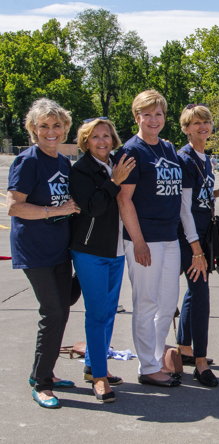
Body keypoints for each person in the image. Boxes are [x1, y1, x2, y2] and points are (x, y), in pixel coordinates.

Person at [117, 90, 205, 387]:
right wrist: (138, 241)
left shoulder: (167, 149)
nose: (154, 120)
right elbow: (125, 200)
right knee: (146, 303)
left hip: (170, 238)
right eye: (147, 114)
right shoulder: (132, 151)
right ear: (137, 117)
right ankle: (147, 367)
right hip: (145, 240)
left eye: (159, 114)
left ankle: (156, 359)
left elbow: (180, 198)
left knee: (167, 304)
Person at [7, 98, 80, 408]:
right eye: (44, 126)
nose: (51, 131)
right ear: (33, 129)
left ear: (65, 128)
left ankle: (45, 370)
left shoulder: (63, 162)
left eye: (57, 125)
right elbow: (15, 206)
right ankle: (41, 382)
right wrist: (55, 210)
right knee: (52, 312)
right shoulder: (28, 161)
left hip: (59, 248)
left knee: (63, 306)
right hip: (35, 250)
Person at [69, 117, 135, 403]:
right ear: (85, 140)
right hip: (90, 251)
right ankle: (99, 377)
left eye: (107, 135)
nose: (102, 141)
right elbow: (92, 208)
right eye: (95, 136)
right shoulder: (81, 170)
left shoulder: (116, 162)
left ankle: (94, 365)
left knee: (108, 313)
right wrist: (113, 182)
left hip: (116, 249)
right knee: (96, 314)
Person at [175, 104, 219, 387]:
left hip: (204, 234)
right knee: (201, 294)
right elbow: (184, 207)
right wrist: (195, 249)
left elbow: (200, 197)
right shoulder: (184, 159)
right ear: (185, 128)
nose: (202, 127)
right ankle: (201, 361)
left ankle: (184, 347)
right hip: (188, 237)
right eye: (195, 123)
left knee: (194, 293)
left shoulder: (205, 159)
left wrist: (216, 192)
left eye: (206, 121)